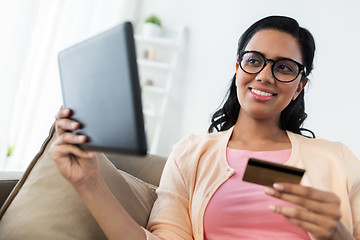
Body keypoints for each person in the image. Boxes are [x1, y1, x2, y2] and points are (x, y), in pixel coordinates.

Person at [50, 16, 360, 240]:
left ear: (299, 87)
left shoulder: (336, 159)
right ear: (238, 68)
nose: (265, 75)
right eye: (254, 60)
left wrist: (338, 235)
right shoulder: (192, 154)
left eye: (284, 68)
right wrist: (88, 184)